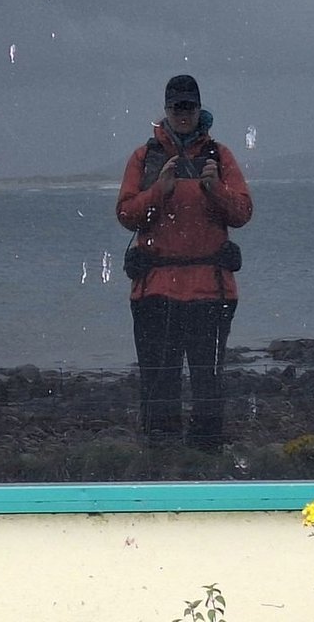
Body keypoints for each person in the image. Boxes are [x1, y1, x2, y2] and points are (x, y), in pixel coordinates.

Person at [116, 75, 253, 449]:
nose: (183, 113)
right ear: (166, 109)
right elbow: (126, 215)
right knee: (159, 382)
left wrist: (214, 188)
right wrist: (159, 190)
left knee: (208, 382)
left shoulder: (220, 157)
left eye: (189, 107)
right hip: (155, 291)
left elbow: (242, 213)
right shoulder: (143, 158)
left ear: (199, 109)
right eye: (177, 107)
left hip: (210, 291)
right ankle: (162, 458)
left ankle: (205, 457)